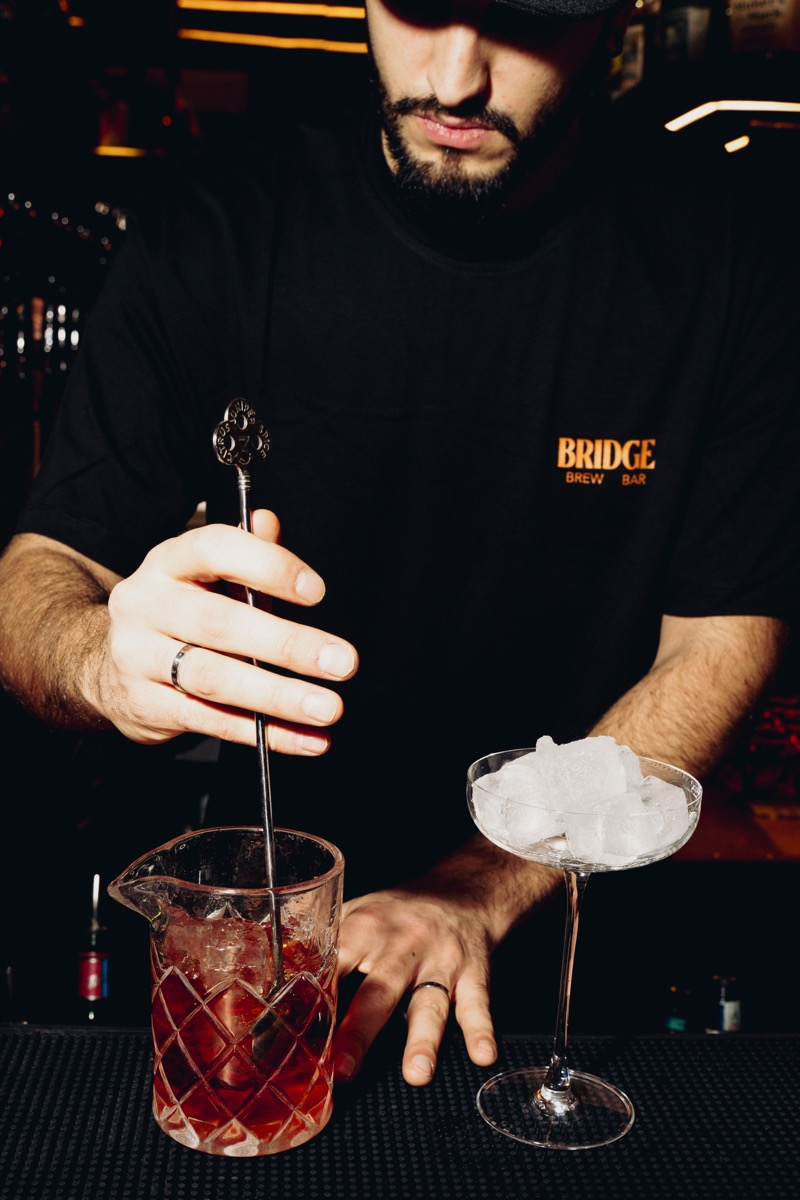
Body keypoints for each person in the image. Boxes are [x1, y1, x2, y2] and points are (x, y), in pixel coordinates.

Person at [0, 0, 798, 1084]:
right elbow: (41, 574)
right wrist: (100, 658)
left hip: (571, 969)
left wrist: (480, 883)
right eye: (419, 6)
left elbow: (724, 639)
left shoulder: (730, 249)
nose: (456, 79)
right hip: (274, 948)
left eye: (524, 21)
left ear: (612, 19)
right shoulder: (222, 222)